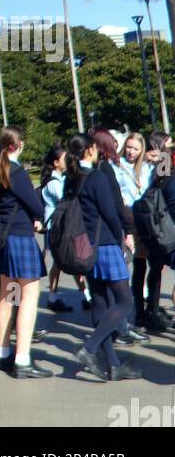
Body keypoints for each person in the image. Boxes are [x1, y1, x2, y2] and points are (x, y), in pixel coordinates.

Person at [66, 133, 141, 383]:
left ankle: (114, 363)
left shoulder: (72, 177)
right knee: (124, 301)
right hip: (105, 243)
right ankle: (89, 348)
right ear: (89, 150)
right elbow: (110, 211)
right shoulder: (96, 177)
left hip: (84, 245)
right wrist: (123, 236)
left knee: (100, 301)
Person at [0, 125, 50, 379]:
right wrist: (39, 216)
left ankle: (2, 351)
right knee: (28, 297)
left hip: (3, 239)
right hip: (20, 238)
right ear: (20, 145)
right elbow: (35, 204)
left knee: (8, 293)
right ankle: (23, 358)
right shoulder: (17, 172)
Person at [92, 128, 144, 344]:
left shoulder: (94, 169)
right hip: (110, 233)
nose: (119, 146)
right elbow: (113, 204)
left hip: (99, 235)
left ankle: (116, 331)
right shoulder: (106, 168)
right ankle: (106, 336)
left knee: (104, 293)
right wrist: (125, 232)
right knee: (121, 292)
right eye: (114, 142)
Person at [113, 132, 153, 328]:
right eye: (129, 147)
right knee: (123, 266)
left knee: (141, 266)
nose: (131, 151)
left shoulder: (146, 167)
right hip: (125, 218)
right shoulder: (116, 166)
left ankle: (140, 311)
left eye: (136, 148)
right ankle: (120, 317)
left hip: (143, 219)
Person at [142, 131, 175, 332]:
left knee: (154, 269)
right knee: (154, 269)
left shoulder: (160, 167)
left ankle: (151, 310)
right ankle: (151, 311)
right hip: (165, 226)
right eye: (170, 145)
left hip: (157, 226)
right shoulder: (163, 166)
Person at [40, 143, 73, 313]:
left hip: (58, 226)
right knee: (60, 262)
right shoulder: (54, 183)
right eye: (64, 158)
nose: (68, 161)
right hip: (55, 227)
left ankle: (85, 293)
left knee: (61, 262)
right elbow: (65, 200)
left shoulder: (59, 179)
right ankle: (52, 296)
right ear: (55, 162)